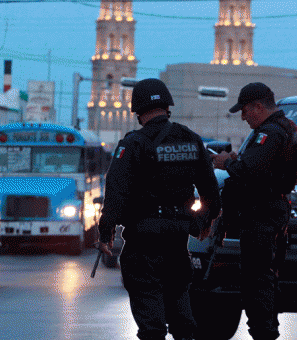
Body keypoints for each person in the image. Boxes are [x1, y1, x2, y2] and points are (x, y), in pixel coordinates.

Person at [97, 78, 221, 340]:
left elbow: (116, 191)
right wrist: (204, 223)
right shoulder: (192, 140)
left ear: (139, 112)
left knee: (149, 311)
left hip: (144, 240)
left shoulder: (133, 144)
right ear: (167, 107)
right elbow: (210, 191)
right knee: (179, 298)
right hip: (177, 239)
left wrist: (105, 232)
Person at [210, 82, 297, 340]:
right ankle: (266, 329)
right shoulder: (285, 128)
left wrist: (226, 162)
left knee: (256, 281)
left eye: (245, 110)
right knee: (264, 278)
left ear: (258, 107)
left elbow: (248, 171)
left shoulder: (269, 133)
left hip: (262, 215)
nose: (242, 116)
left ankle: (264, 332)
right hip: (270, 212)